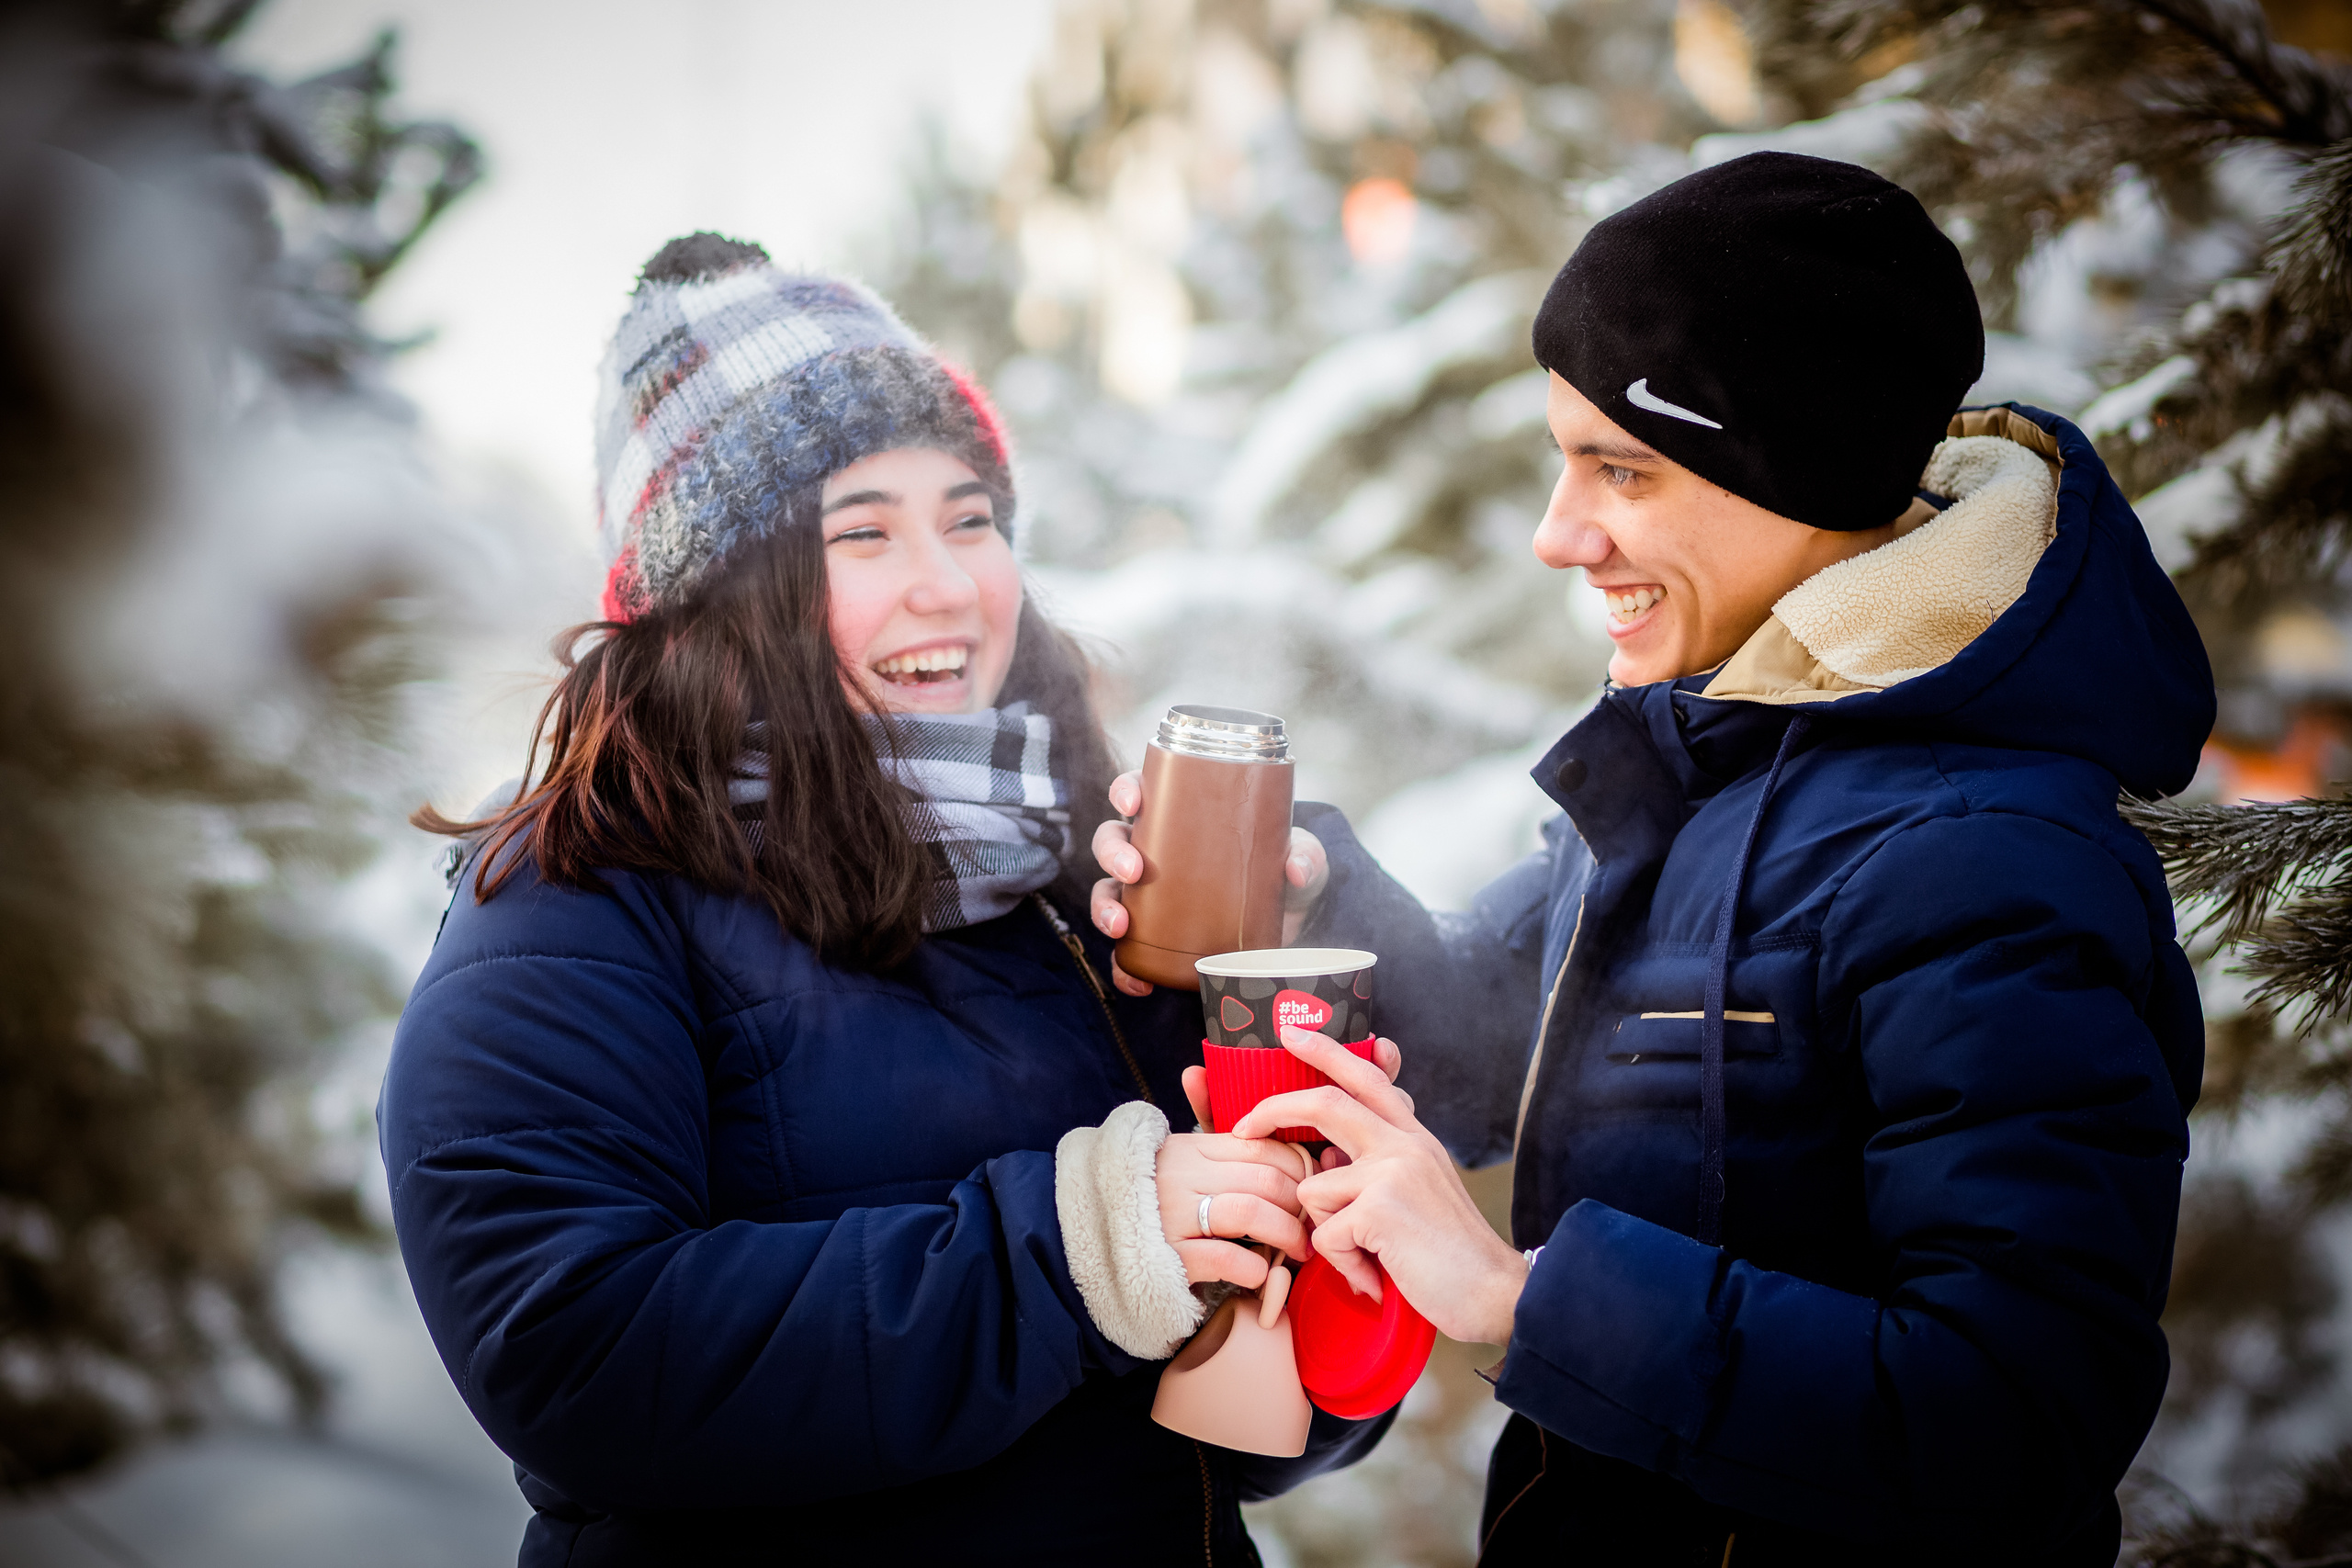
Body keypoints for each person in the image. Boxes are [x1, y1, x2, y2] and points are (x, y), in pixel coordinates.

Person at [1092, 153, 2211, 1565]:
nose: (1561, 537)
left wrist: (1522, 1300)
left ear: (1795, 467)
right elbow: (1494, 1056)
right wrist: (1299, 895)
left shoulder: (1987, 858)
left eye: (1620, 470)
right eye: (1561, 462)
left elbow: (2015, 1419)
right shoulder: (1698, 751)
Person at [379, 234, 1390, 1567]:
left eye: (969, 517)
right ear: (713, 599)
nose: (951, 583)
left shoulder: (1072, 880)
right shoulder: (572, 908)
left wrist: (1286, 1180)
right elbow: (580, 1355)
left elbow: (1232, 1441)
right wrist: (1083, 1251)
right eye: (863, 531)